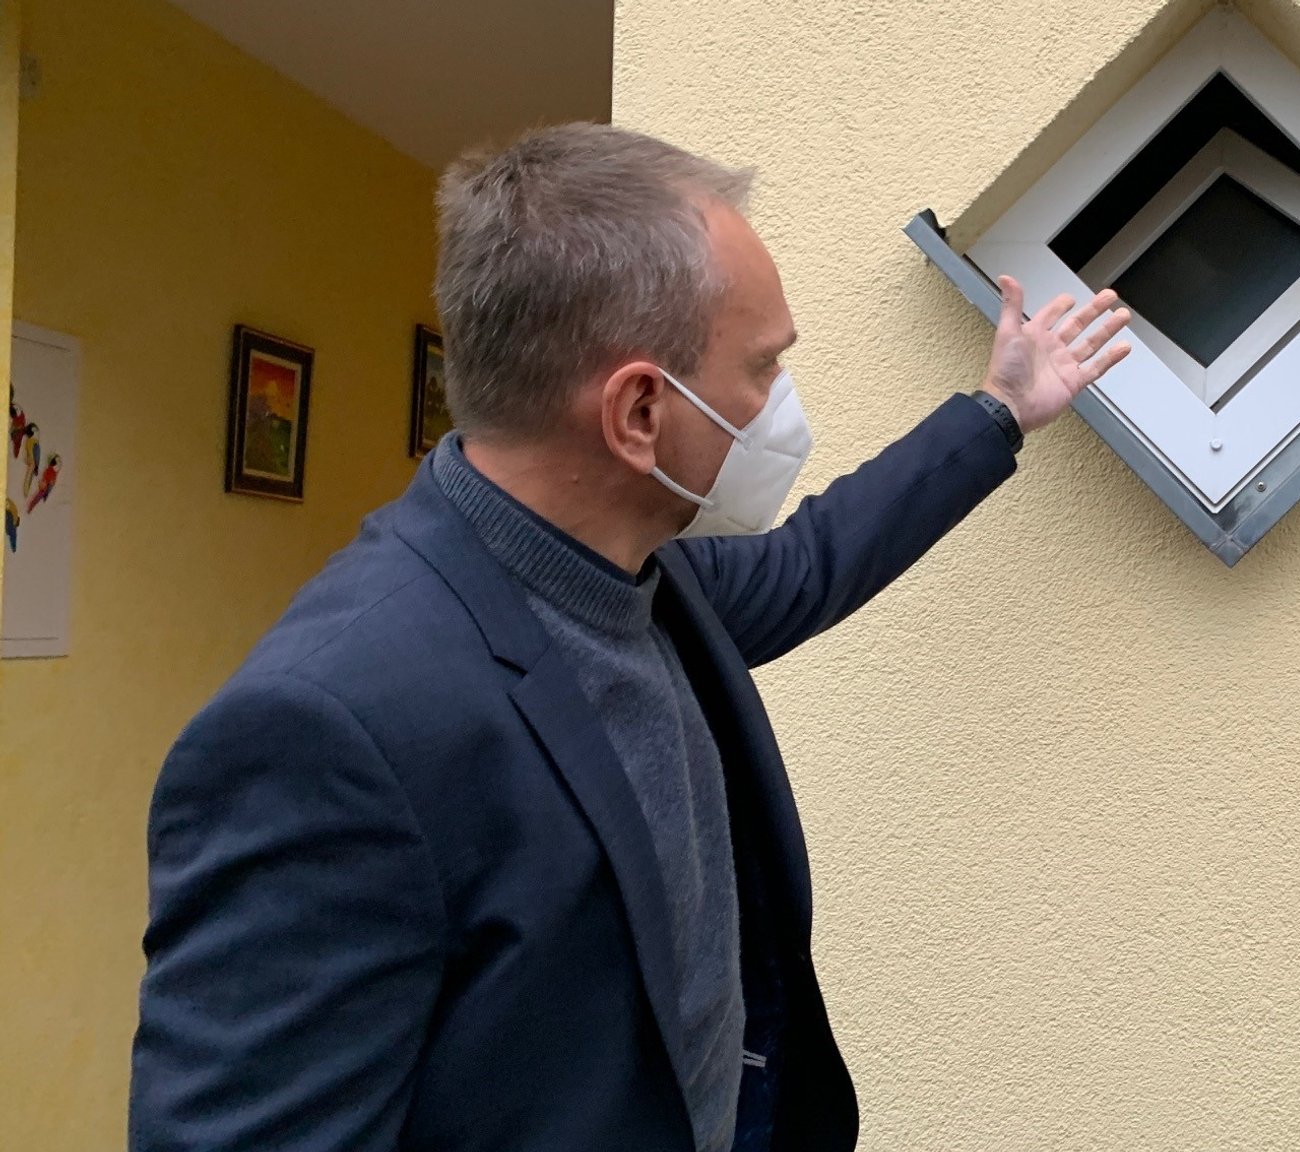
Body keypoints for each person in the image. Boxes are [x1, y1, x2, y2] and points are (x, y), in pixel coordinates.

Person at [130, 123, 1128, 1152]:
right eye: (763, 368)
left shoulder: (641, 579)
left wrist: (1001, 408)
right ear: (641, 410)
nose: (779, 406)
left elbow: (812, 562)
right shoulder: (331, 726)